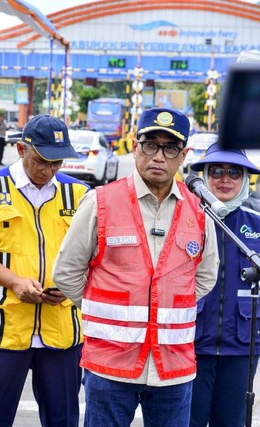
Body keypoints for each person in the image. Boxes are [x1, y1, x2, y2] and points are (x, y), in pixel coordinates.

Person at [52, 107, 220, 426]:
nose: (159, 156)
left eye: (170, 147)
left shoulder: (198, 210)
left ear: (183, 155)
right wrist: (100, 310)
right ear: (134, 146)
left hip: (173, 369)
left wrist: (170, 303)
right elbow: (67, 271)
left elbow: (206, 276)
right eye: (150, 144)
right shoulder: (100, 202)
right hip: (110, 366)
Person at [0, 114, 89, 427]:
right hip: (3, 328)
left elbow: (93, 256)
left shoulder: (80, 195)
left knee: (64, 420)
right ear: (20, 149)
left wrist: (71, 288)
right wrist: (14, 282)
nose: (49, 170)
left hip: (61, 330)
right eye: (41, 161)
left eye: (57, 163)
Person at [189, 145, 260, 427]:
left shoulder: (257, 225)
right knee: (187, 421)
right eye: (216, 171)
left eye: (234, 172)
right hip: (191, 345)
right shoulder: (185, 219)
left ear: (245, 179)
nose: (225, 179)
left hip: (242, 349)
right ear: (204, 176)